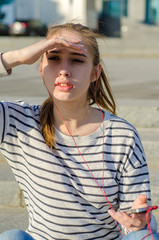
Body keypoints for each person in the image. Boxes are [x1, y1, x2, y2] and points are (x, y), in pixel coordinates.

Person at [0, 22, 158, 240]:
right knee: (11, 237)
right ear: (40, 66)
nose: (64, 70)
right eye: (54, 58)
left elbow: (139, 219)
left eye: (76, 60)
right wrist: (14, 57)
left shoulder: (122, 135)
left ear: (95, 73)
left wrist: (140, 222)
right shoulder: (19, 121)